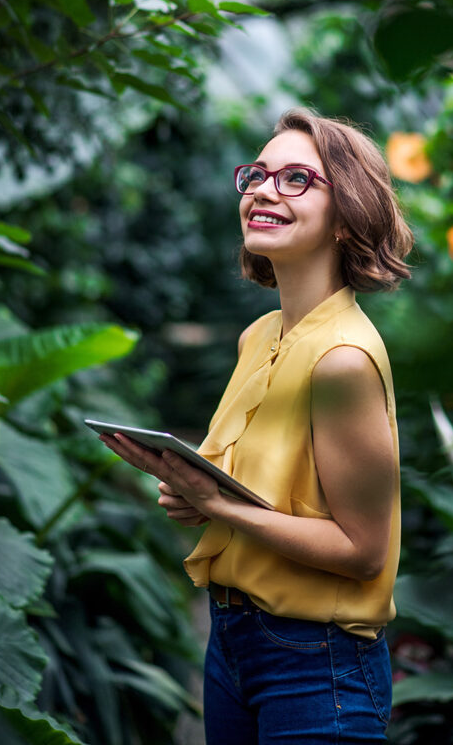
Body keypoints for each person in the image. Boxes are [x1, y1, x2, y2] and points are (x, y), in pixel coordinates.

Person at [99, 106, 414, 744]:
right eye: (258, 175)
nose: (264, 191)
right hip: (233, 644)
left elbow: (364, 552)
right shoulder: (261, 336)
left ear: (347, 213)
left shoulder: (341, 360)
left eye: (296, 179)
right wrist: (194, 496)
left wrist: (221, 505)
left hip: (318, 664)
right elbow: (261, 494)